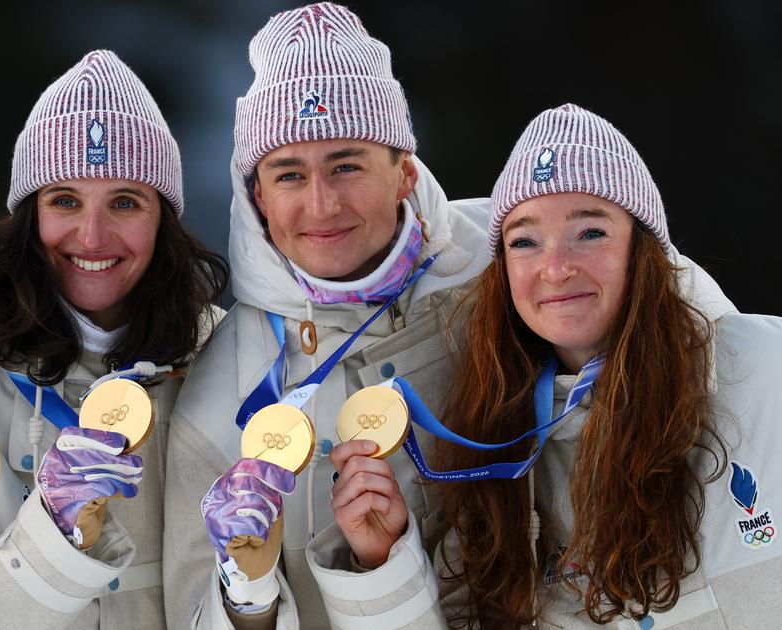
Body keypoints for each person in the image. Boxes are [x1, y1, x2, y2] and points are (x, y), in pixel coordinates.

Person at [325, 103, 782, 628]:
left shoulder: (763, 369)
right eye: (524, 242)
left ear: (644, 249)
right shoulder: (495, 451)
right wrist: (382, 561)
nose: (557, 268)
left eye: (590, 232)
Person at [0, 49, 228, 628]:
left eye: (125, 202)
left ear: (165, 220)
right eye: (65, 201)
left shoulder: (228, 360)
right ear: (28, 217)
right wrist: (46, 535)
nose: (92, 235)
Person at [161, 4, 494, 628]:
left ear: (404, 171)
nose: (322, 203)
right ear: (258, 196)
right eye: (289, 174)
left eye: (347, 164)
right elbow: (187, 614)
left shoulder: (513, 266)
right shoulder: (221, 390)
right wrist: (245, 593)